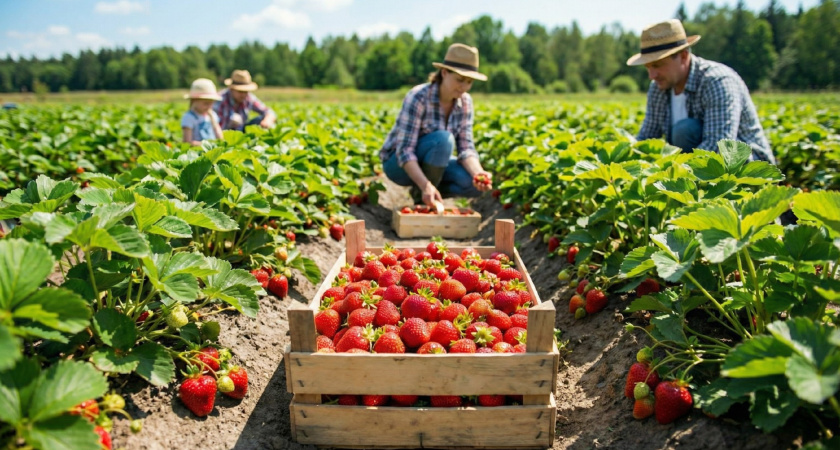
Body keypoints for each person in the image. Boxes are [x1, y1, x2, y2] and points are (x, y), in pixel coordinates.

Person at [628, 19, 775, 163]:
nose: (652, 75)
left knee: (685, 130)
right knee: (684, 132)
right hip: (695, 166)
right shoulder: (659, 87)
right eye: (648, 67)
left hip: (747, 163)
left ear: (683, 56)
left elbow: (719, 146)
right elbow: (646, 138)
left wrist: (672, 172)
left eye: (658, 65)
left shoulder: (717, 81)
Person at [379, 43, 494, 207]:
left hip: (434, 163)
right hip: (398, 164)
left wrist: (478, 174)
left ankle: (429, 194)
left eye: (469, 82)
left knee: (472, 183)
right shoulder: (418, 97)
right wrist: (425, 185)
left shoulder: (466, 102)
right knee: (443, 139)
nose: (464, 87)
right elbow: (404, 151)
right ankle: (423, 194)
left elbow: (466, 147)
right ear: (444, 73)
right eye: (460, 80)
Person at [181, 78, 223, 146]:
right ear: (194, 101)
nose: (209, 107)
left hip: (212, 149)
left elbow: (220, 137)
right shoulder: (189, 117)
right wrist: (206, 145)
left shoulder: (212, 115)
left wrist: (212, 120)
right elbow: (187, 142)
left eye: (211, 103)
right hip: (196, 151)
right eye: (206, 103)